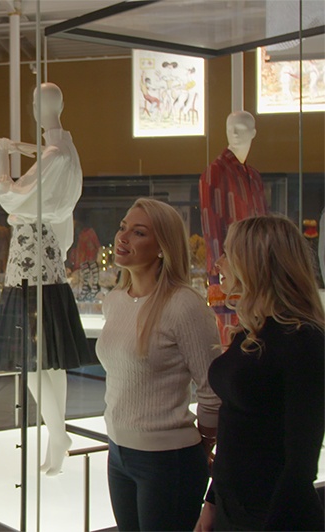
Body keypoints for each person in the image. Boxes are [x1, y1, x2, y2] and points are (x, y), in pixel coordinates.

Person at [96, 198, 221, 531]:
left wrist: (204, 442)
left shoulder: (184, 305)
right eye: (123, 227)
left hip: (167, 458)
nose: (122, 237)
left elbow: (212, 387)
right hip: (118, 452)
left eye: (138, 232)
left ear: (163, 247)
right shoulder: (116, 301)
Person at [0, 82, 93, 475]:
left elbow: (8, 195)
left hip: (31, 255)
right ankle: (57, 436)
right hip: (46, 252)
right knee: (51, 361)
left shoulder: (56, 155)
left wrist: (2, 157)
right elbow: (49, 157)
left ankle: (58, 432)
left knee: (33, 360)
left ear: (38, 105)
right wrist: (23, 149)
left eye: (34, 102)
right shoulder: (65, 149)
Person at [195, 215, 325, 531]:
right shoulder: (251, 332)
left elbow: (299, 464)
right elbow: (233, 428)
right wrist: (212, 504)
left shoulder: (304, 340)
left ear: (254, 263)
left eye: (228, 253)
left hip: (273, 516)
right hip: (232, 506)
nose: (219, 263)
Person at [199, 110, 267, 343]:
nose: (235, 134)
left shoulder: (254, 178)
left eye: (242, 129)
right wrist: (218, 279)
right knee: (233, 345)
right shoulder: (215, 172)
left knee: (258, 344)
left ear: (253, 133)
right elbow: (212, 231)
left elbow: (265, 232)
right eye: (231, 129)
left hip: (258, 280)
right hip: (230, 282)